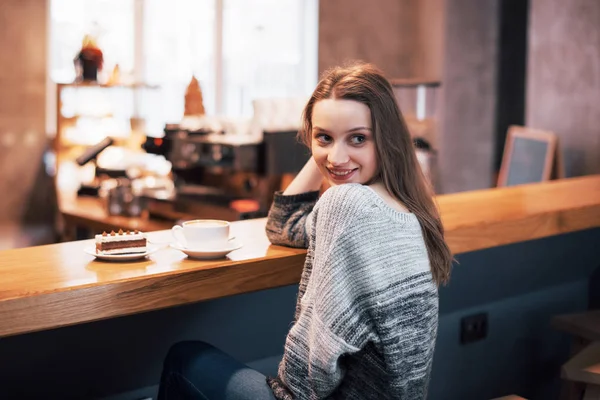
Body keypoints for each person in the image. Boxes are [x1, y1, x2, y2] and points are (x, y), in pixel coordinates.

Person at [156, 61, 453, 400]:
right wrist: (334, 151)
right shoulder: (407, 207)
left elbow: (308, 376)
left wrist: (329, 149)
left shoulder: (347, 204)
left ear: (386, 140)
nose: (337, 156)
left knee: (184, 358)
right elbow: (285, 226)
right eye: (323, 137)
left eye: (358, 138)